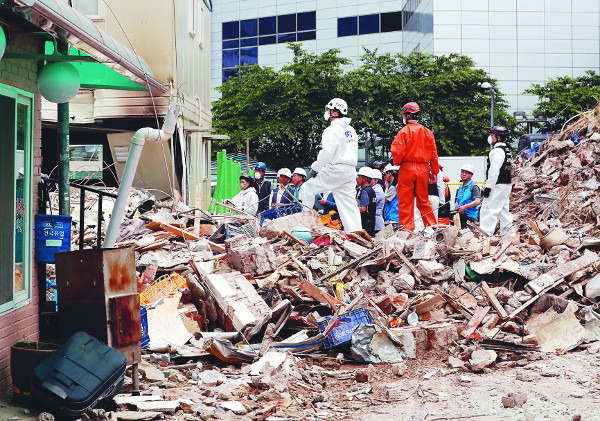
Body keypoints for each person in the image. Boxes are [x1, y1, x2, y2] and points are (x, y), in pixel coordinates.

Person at [298, 98, 362, 232]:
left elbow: (327, 152)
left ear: (335, 112)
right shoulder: (351, 130)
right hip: (350, 171)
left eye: (329, 109)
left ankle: (304, 228)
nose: (327, 112)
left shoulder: (332, 130)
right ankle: (357, 233)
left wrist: (315, 168)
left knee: (306, 190)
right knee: (348, 205)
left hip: (335, 168)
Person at [391, 102, 439, 231]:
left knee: (405, 201)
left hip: (407, 168)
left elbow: (397, 152)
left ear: (406, 115)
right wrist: (434, 172)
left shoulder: (404, 132)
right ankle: (432, 227)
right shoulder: (427, 132)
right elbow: (434, 154)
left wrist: (397, 162)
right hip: (424, 168)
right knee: (423, 200)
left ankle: (407, 230)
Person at [480, 125, 514, 236]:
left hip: (497, 185)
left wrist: (488, 187)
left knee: (488, 209)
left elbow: (494, 171)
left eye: (492, 135)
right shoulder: (507, 151)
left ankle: (485, 234)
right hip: (506, 184)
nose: (490, 138)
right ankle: (509, 235)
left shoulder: (497, 152)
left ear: (498, 138)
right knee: (504, 211)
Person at [455, 163, 481, 227]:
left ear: (471, 175)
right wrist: (457, 207)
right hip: (461, 215)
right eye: (462, 172)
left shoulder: (473, 187)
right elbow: (457, 200)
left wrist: (464, 207)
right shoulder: (460, 187)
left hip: (470, 217)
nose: (464, 174)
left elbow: (477, 201)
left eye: (466, 173)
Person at [355, 167, 377, 236]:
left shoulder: (365, 191)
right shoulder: (371, 190)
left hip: (365, 224)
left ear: (365, 179)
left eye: (359, 177)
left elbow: (362, 209)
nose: (357, 179)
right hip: (371, 223)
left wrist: (351, 209)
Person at [370, 168, 385, 233]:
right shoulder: (375, 189)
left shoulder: (377, 191)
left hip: (377, 223)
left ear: (376, 180)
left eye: (371, 179)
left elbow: (372, 204)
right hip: (374, 222)